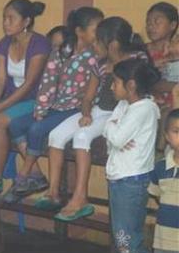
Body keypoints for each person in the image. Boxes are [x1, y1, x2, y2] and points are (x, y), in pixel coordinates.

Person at [41, 14, 148, 221]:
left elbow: (136, 96)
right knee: (56, 135)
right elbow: (89, 97)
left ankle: (80, 197)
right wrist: (87, 113)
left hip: (121, 113)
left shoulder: (137, 61)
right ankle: (53, 192)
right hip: (100, 110)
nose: (94, 45)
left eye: (98, 41)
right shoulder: (99, 64)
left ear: (113, 45)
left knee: (82, 137)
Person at [0, 8, 102, 203]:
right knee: (15, 125)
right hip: (57, 106)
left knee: (37, 129)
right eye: (96, 28)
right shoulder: (60, 52)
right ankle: (36, 176)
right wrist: (41, 109)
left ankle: (23, 176)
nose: (100, 33)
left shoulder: (94, 56)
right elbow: (48, 82)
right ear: (80, 31)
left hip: (75, 109)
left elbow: (93, 91)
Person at [0, 0, 50, 200]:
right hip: (11, 101)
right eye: (4, 18)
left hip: (36, 100)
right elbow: (0, 77)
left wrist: (1, 107)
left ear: (26, 21)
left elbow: (30, 83)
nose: (5, 23)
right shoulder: (4, 43)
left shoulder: (40, 43)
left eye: (11, 18)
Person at [101, 58, 160, 253]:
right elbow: (112, 136)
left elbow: (114, 138)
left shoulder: (144, 109)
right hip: (119, 176)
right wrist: (113, 129)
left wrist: (113, 130)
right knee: (123, 234)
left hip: (131, 180)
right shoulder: (124, 105)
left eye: (116, 82)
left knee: (128, 236)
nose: (112, 87)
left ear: (131, 84)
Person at [139, 108, 179, 253]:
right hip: (165, 240)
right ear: (166, 137)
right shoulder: (160, 168)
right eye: (176, 131)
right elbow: (155, 194)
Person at [146, 2, 179, 69]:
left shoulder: (176, 50)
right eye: (148, 22)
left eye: (157, 22)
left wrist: (170, 57)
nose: (151, 26)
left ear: (173, 25)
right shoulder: (141, 51)